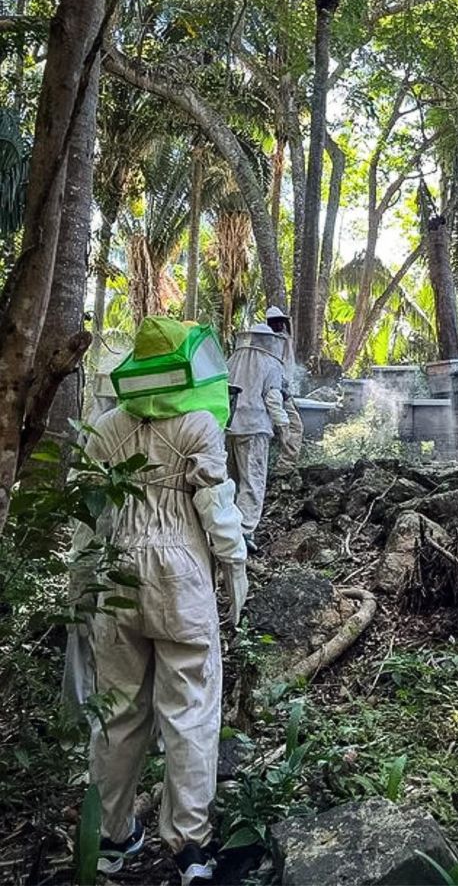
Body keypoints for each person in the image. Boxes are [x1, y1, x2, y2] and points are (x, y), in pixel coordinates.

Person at [66, 317, 247, 886]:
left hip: (115, 575)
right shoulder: (198, 424)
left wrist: (79, 589)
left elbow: (87, 519)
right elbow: (218, 516)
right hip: (181, 582)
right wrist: (236, 574)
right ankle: (190, 847)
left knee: (117, 712)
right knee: (189, 708)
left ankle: (110, 837)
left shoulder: (103, 426)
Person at [225, 322, 289, 550]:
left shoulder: (231, 361)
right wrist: (283, 426)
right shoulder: (271, 363)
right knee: (253, 480)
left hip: (229, 426)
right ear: (269, 341)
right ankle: (244, 533)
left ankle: (227, 529)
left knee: (231, 480)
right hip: (254, 428)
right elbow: (273, 398)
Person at [265, 305, 304, 474]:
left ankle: (280, 467)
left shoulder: (279, 340)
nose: (280, 325)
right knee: (294, 427)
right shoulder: (270, 342)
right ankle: (285, 467)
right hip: (275, 392)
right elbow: (274, 371)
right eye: (276, 322)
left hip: (277, 391)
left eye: (281, 322)